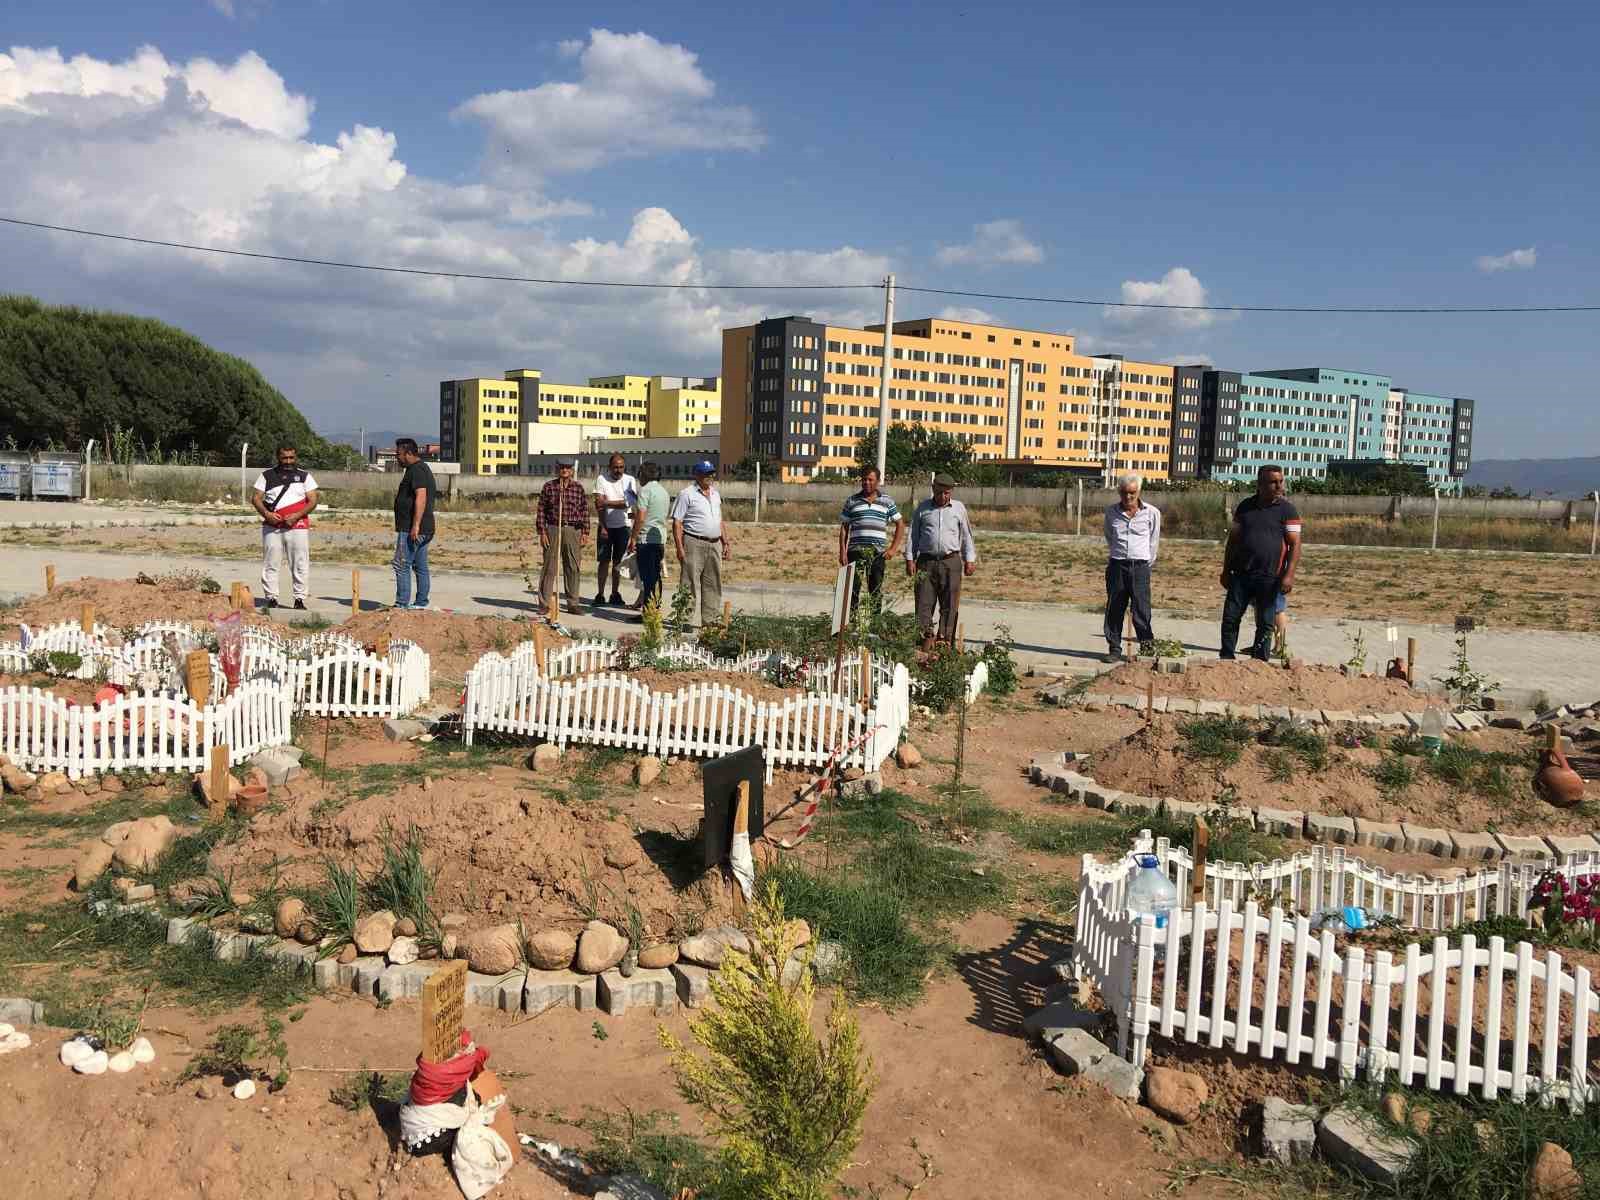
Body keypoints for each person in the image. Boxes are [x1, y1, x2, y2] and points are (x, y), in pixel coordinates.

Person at [1219, 464, 1303, 660]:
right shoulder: (1246, 506)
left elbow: (1295, 545)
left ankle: (1259, 660)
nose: (1279, 486)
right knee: (1230, 618)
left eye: (1281, 481)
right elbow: (1233, 540)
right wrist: (1225, 570)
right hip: (1241, 575)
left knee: (1265, 623)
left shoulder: (1288, 510)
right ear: (1260, 484)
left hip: (1270, 577)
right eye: (1273, 482)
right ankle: (1226, 657)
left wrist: (1289, 575)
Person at [904, 473, 976, 649]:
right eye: (940, 492)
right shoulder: (923, 508)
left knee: (950, 603)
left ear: (951, 492)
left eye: (947, 493)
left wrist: (970, 559)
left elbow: (966, 535)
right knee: (923, 603)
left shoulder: (958, 508)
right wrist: (910, 558)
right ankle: (925, 639)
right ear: (933, 489)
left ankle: (945, 640)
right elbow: (913, 535)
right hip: (926, 562)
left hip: (951, 562)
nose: (943, 496)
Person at [250, 444, 318, 610]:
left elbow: (313, 500)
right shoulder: (266, 476)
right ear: (278, 457)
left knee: (300, 563)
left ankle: (299, 599)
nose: (288, 461)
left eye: (291, 458)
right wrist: (267, 515)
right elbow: (256, 498)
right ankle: (271, 598)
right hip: (272, 528)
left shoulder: (304, 476)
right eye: (284, 458)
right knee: (271, 563)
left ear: (296, 457)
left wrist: (296, 516)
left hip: (298, 527)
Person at [1102, 471, 1161, 663]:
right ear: (1119, 492)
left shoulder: (1151, 513)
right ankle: (1114, 648)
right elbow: (1110, 537)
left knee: (1141, 609)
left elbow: (1153, 541)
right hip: (1118, 566)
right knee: (1115, 608)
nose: (1128, 497)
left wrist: (1144, 563)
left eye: (1132, 493)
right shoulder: (1111, 512)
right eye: (1124, 493)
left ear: (1139, 492)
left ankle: (1147, 647)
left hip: (1140, 567)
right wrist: (1119, 557)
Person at [671, 460, 730, 628]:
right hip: (693, 541)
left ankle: (710, 620)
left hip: (714, 543)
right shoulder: (686, 494)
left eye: (711, 473)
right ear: (697, 475)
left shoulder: (715, 494)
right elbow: (677, 523)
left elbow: (719, 520)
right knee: (689, 581)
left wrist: (726, 542)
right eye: (706, 473)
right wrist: (679, 547)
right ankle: (685, 620)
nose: (710, 476)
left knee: (713, 582)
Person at [838, 465, 903, 615]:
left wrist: (893, 549)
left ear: (878, 481)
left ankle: (874, 626)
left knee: (875, 590)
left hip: (877, 554)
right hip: (855, 552)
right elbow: (844, 528)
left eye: (870, 479)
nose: (867, 482)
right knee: (852, 589)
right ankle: (851, 623)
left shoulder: (887, 501)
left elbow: (900, 524)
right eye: (864, 479)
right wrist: (842, 551)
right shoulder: (852, 501)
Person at [538, 460, 589, 616]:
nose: (565, 470)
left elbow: (584, 510)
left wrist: (586, 531)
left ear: (572, 471)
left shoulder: (578, 488)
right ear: (557, 469)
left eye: (567, 468)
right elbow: (541, 510)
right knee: (549, 567)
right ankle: (545, 604)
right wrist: (542, 532)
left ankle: (573, 604)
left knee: (573, 567)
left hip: (573, 529)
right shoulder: (549, 487)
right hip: (553, 528)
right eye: (562, 468)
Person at [392, 439, 436, 610]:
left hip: (414, 528)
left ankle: (401, 604)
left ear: (409, 453)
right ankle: (421, 603)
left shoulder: (417, 470)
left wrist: (415, 525)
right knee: (420, 566)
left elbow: (421, 496)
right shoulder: (418, 469)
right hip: (424, 527)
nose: (397, 458)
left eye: (399, 455)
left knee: (401, 564)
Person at [592, 453, 638, 607]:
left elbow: (628, 503)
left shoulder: (630, 480)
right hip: (606, 526)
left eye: (621, 467)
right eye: (615, 467)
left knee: (618, 562)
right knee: (604, 561)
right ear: (610, 467)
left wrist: (607, 502)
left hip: (624, 526)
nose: (618, 470)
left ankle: (615, 593)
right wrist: (603, 525)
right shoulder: (601, 479)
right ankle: (600, 594)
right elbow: (598, 504)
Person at [629, 461, 671, 614]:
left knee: (647, 578)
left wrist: (633, 538)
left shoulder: (645, 491)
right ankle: (654, 608)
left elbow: (641, 518)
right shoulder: (663, 491)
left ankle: (648, 612)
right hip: (659, 539)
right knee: (655, 576)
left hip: (645, 539)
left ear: (643, 474)